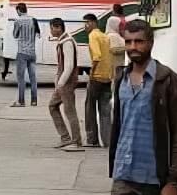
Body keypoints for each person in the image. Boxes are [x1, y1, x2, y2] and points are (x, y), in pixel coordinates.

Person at [109, 18, 177, 195]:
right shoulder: (121, 80)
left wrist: (173, 182)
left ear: (151, 43)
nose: (132, 48)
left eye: (139, 42)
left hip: (158, 181)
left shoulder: (167, 80)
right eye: (128, 42)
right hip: (124, 178)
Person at [45, 17, 84, 150]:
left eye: (52, 28)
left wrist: (61, 82)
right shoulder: (63, 41)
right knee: (53, 106)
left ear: (58, 28)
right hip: (63, 82)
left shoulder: (67, 42)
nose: (50, 30)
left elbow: (69, 65)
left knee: (69, 110)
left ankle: (75, 140)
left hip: (67, 82)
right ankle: (66, 138)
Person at [84, 13, 114, 147]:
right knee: (105, 111)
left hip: (96, 78)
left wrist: (91, 72)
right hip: (107, 77)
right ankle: (107, 141)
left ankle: (92, 139)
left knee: (90, 109)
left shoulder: (93, 36)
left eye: (86, 23)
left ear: (92, 23)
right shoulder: (105, 36)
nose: (84, 26)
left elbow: (97, 56)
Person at [9, 3, 40, 107]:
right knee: (33, 78)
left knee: (21, 78)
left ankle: (21, 101)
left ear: (18, 10)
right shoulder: (33, 20)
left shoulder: (18, 21)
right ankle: (34, 100)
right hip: (32, 52)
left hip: (22, 53)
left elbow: (15, 35)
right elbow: (38, 34)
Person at [107, 8, 129, 76]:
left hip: (118, 66)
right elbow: (113, 50)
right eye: (119, 25)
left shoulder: (115, 35)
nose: (120, 26)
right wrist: (127, 47)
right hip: (115, 67)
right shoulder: (112, 36)